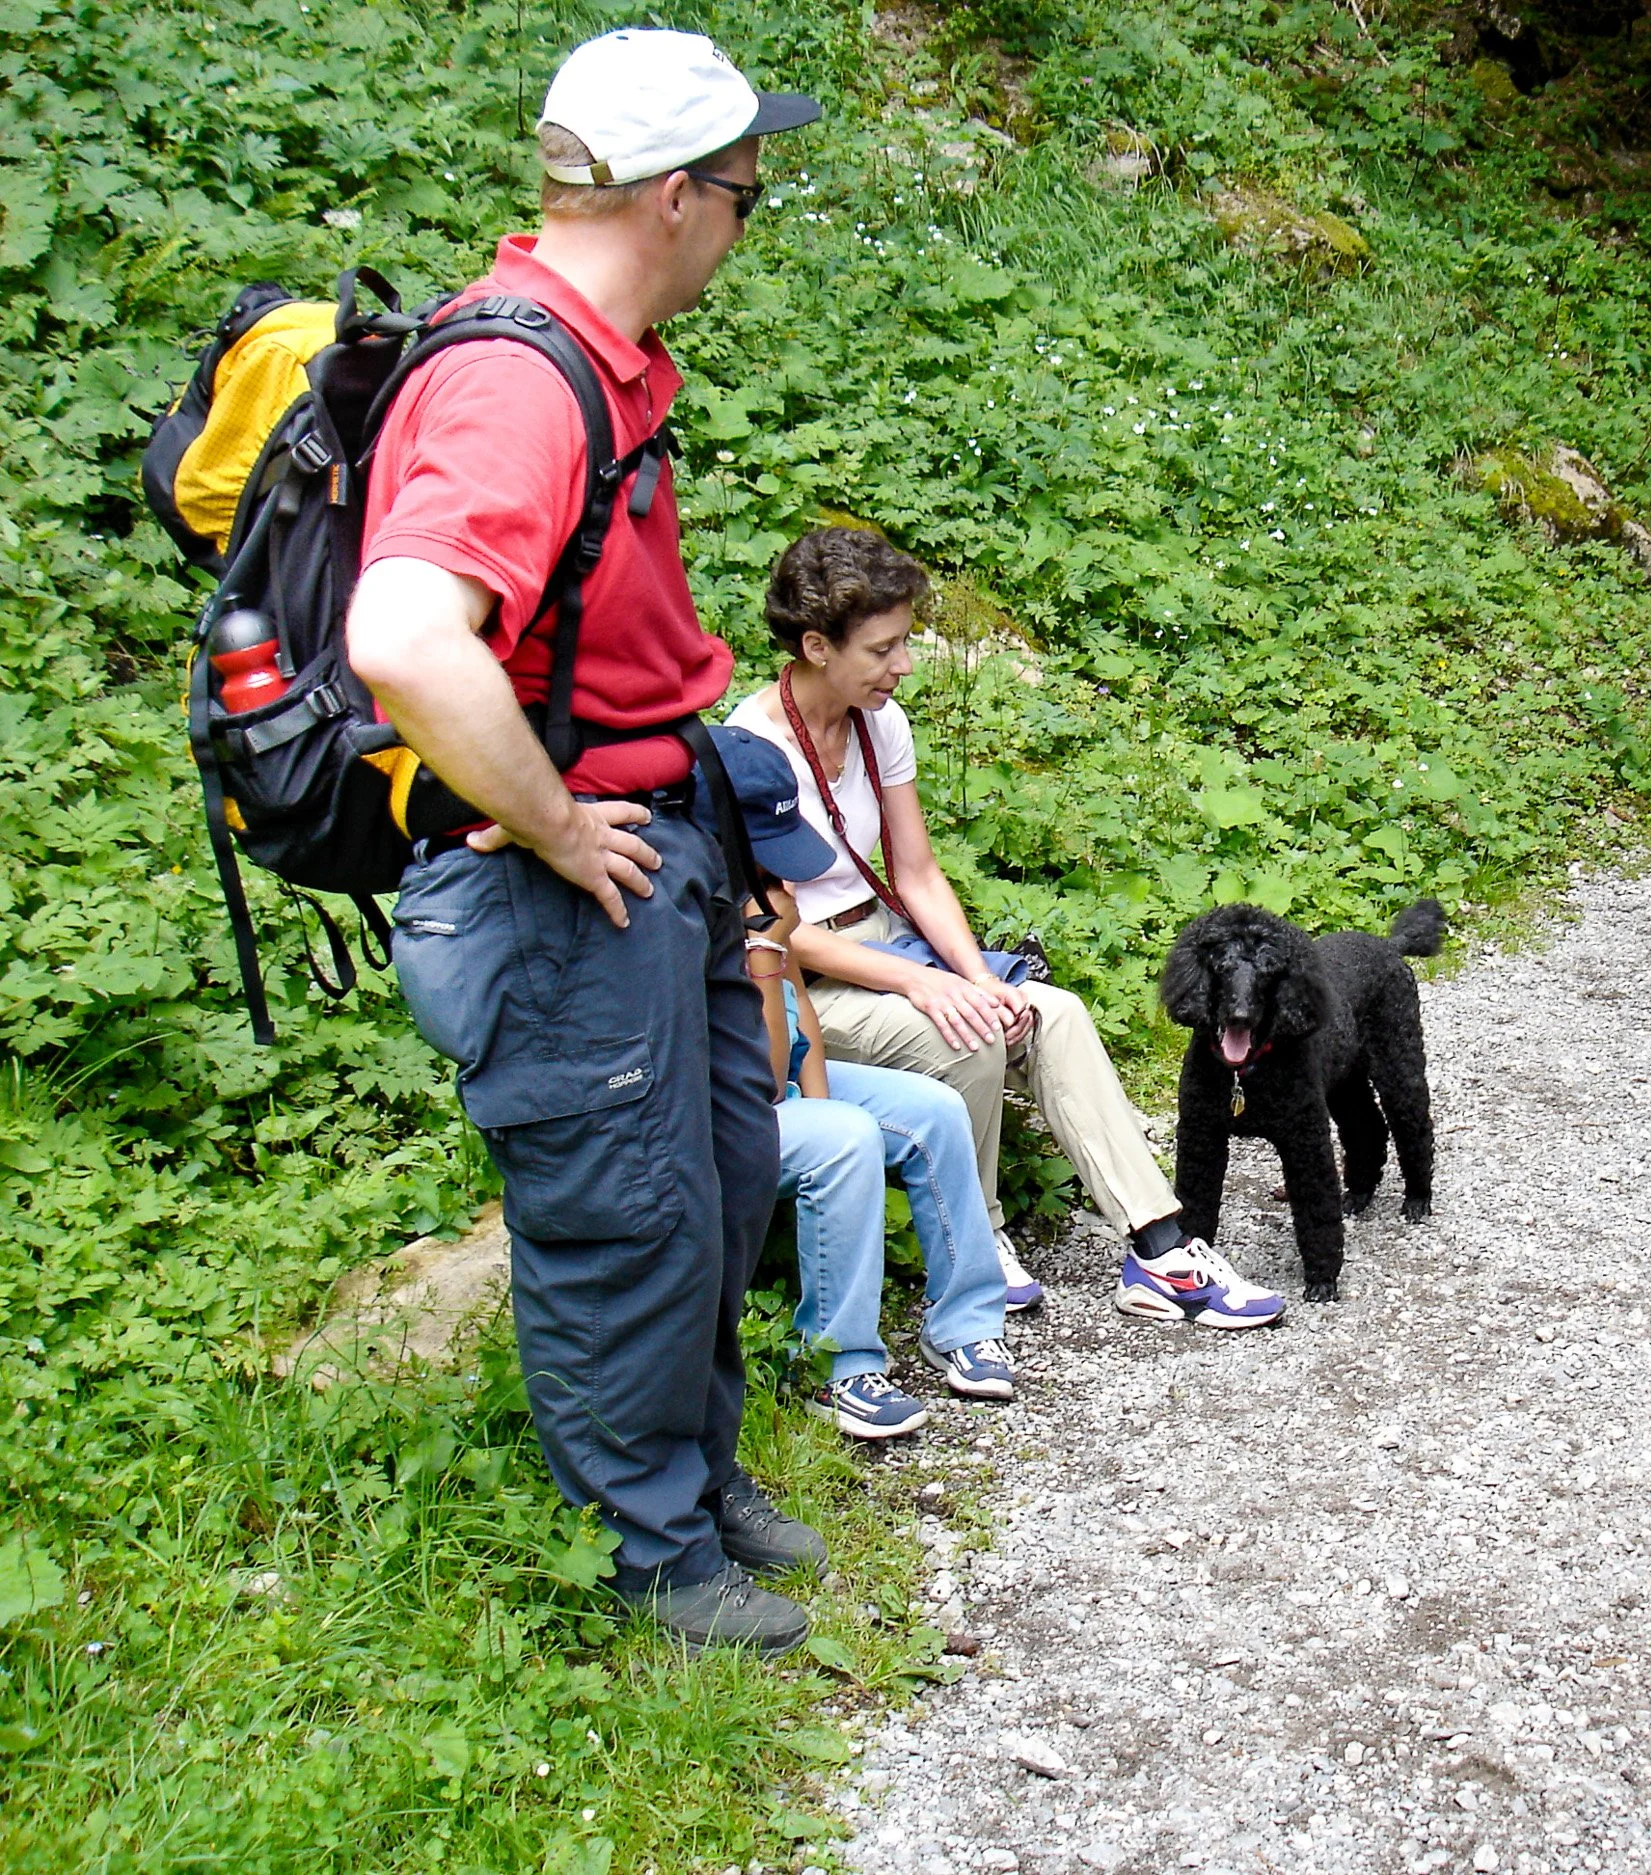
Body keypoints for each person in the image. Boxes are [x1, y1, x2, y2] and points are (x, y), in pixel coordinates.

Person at [346, 30, 827, 1653]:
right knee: (624, 1209)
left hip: (664, 841)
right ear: (680, 200)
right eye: (748, 197)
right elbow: (408, 635)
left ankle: (698, 1479)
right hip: (568, 887)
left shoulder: (596, 360)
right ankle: (649, 1556)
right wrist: (547, 822)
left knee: (717, 1176)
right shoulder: (516, 378)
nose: (749, 229)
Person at [724, 525, 1289, 1330]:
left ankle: (1160, 1247)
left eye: (906, 642)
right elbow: (771, 925)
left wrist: (977, 975)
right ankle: (976, 1238)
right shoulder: (750, 747)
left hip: (888, 942)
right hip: (809, 985)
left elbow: (916, 871)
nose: (905, 665)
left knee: (1047, 1012)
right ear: (817, 644)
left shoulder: (881, 723)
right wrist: (927, 982)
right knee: (968, 1034)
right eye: (883, 649)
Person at [704, 725, 1016, 1438]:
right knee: (843, 1137)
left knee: (933, 1111)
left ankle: (965, 1323)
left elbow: (798, 1023)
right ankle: (839, 1367)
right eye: (769, 864)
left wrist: (815, 1096)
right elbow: (754, 1070)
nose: (785, 885)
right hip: (716, 1101)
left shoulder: (758, 903)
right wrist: (762, 948)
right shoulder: (684, 918)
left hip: (774, 1089)